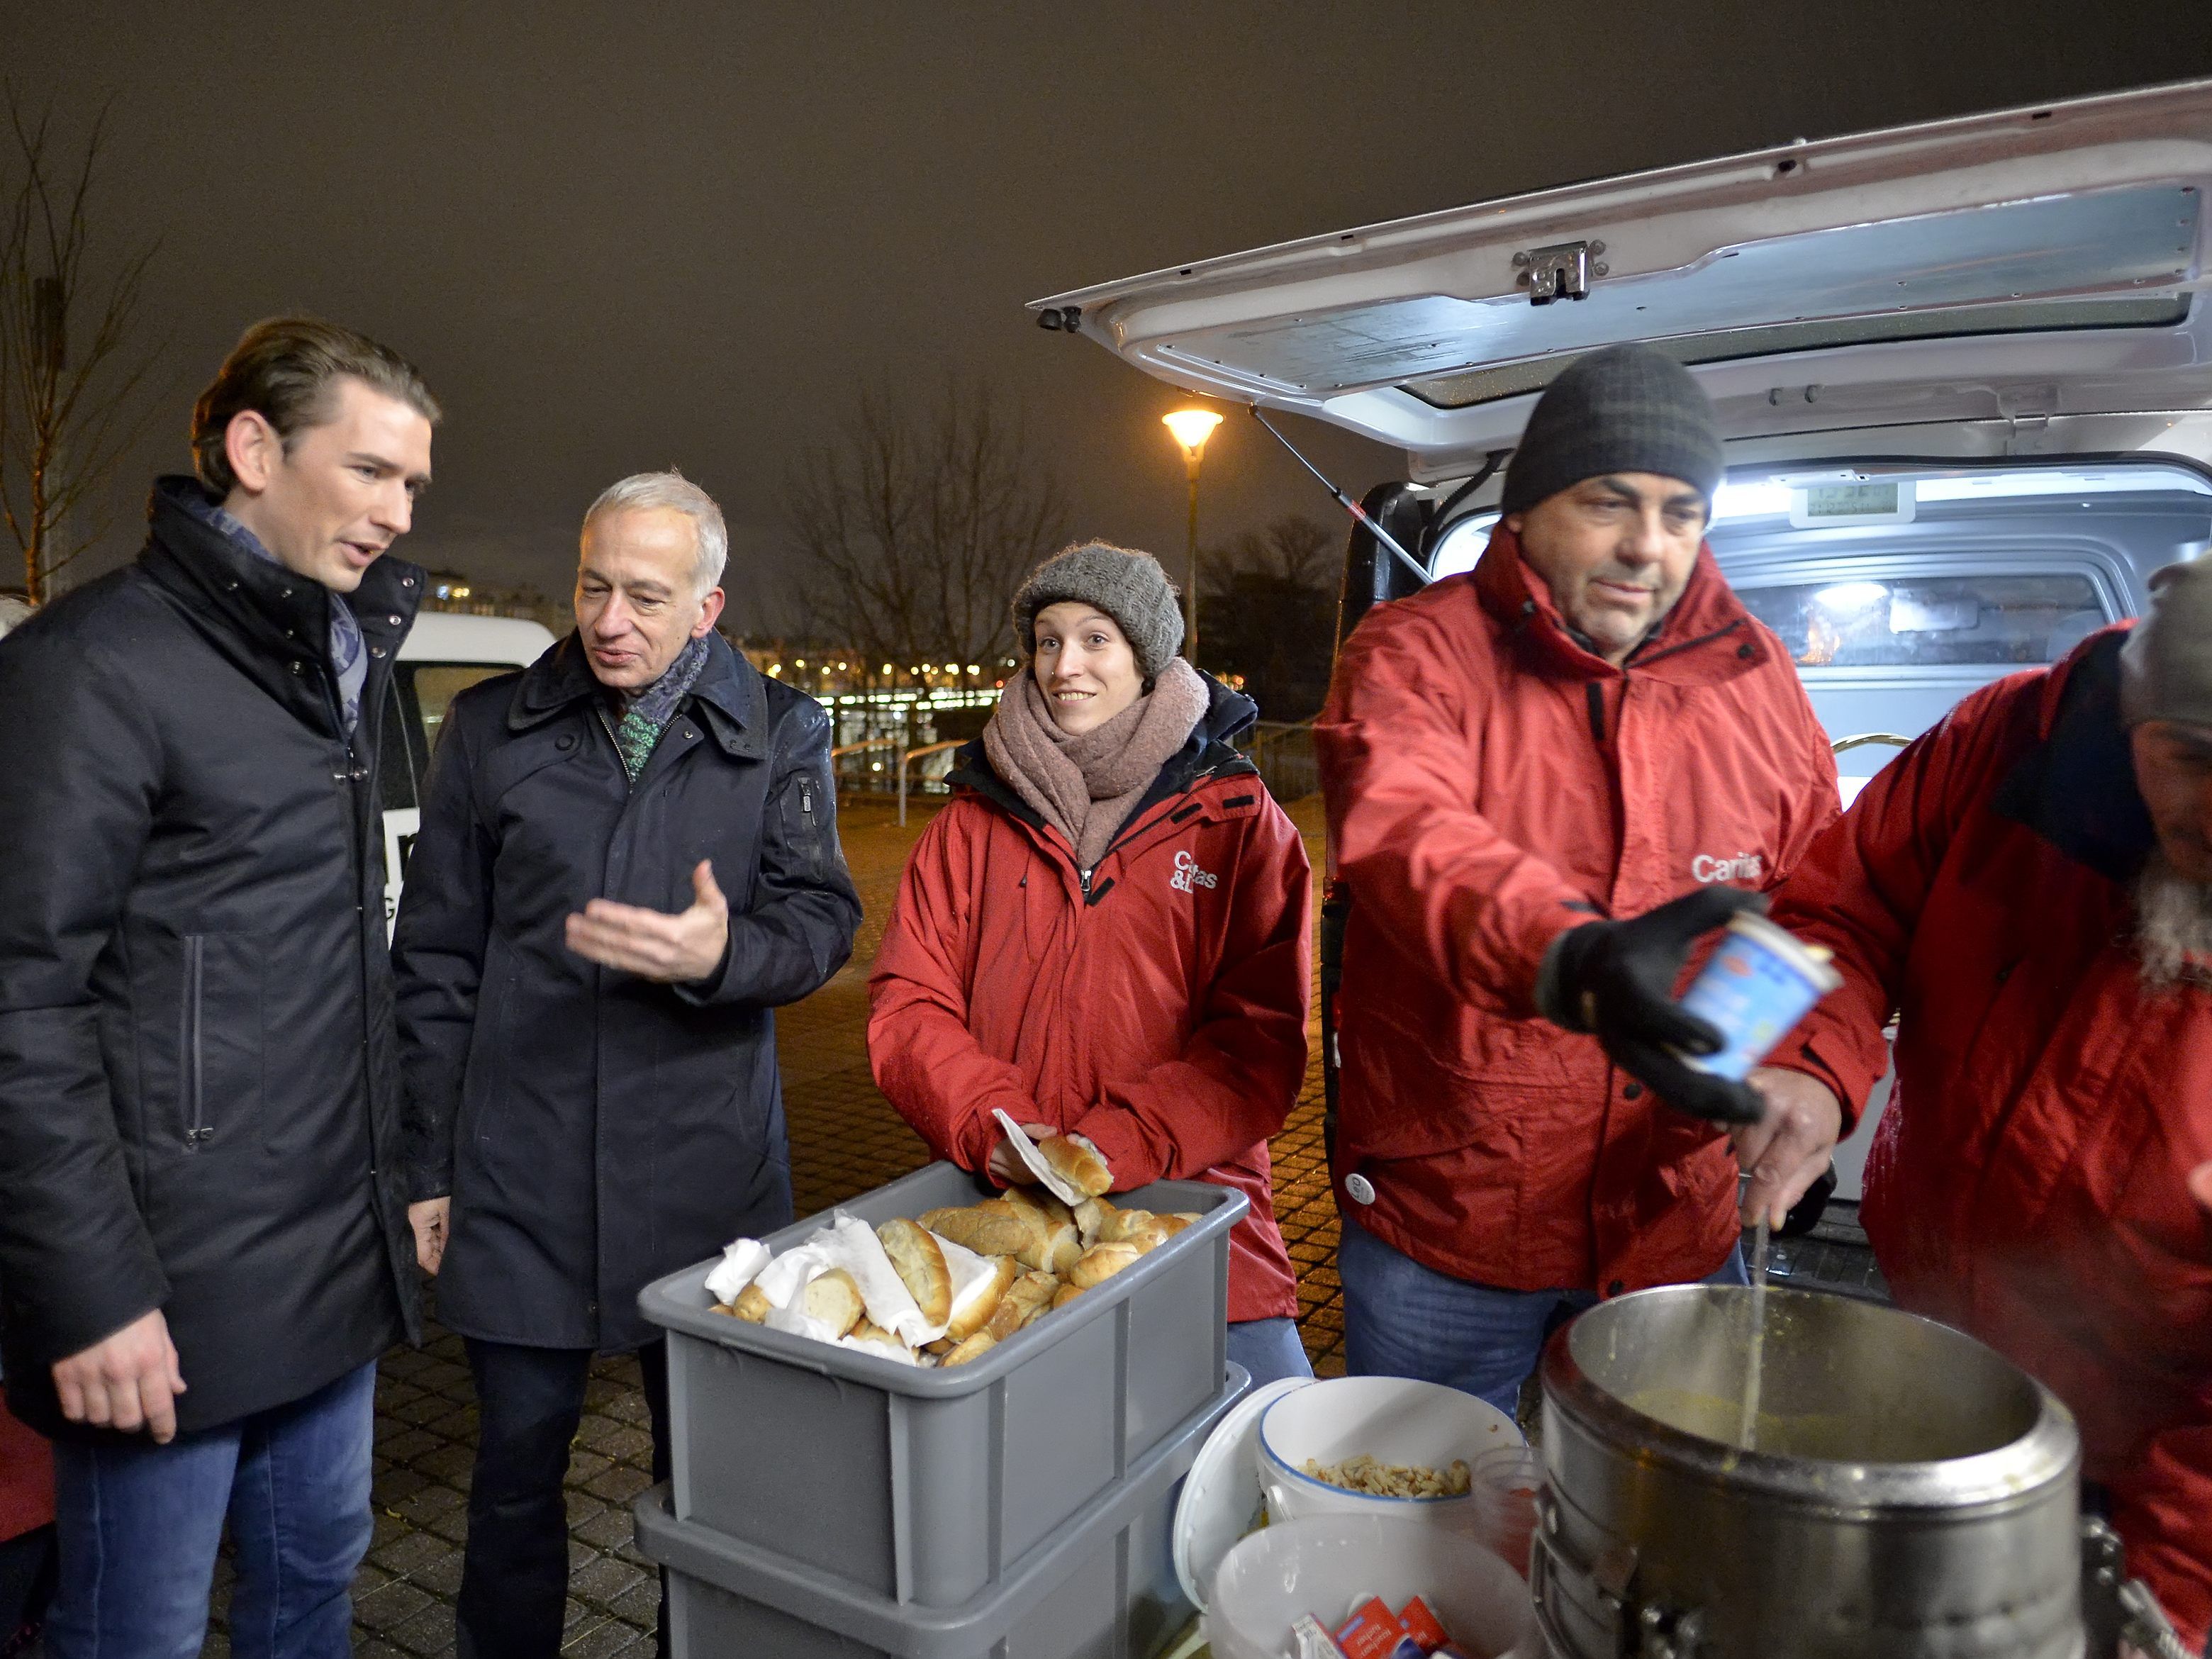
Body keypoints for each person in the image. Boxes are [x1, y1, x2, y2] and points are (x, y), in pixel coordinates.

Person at [0, 316, 440, 1658]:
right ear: (254, 448)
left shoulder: (335, 667)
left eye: (413, 484)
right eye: (371, 471)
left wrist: (405, 1171)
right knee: (138, 1631)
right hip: (167, 1296)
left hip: (327, 1265)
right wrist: (89, 1296)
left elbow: (341, 966)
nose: (396, 513)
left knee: (316, 1588)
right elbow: (21, 1002)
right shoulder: (91, 670)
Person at [1312, 344, 1844, 1417]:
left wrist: (1809, 1079)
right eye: (1610, 502)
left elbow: (1821, 905)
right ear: (1528, 508)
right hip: (1452, 1218)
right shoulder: (1415, 653)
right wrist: (1576, 958)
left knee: (1652, 1528)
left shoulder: (1759, 681)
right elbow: (1410, 837)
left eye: (1682, 512)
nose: (1648, 545)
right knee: (1434, 1526)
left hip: (1674, 1216)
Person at [393, 470, 861, 1658]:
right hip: (517, 1175)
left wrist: (725, 951)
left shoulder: (782, 730)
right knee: (509, 1486)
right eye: (595, 586)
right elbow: (435, 957)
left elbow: (820, 924)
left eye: (647, 597)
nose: (611, 620)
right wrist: (423, 1163)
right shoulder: (493, 728)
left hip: (705, 1186)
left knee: (711, 1495)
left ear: (708, 607)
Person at [1753, 561, 2212, 1648]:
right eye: (2194, 759)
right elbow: (1834, 906)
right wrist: (1804, 1068)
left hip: (2165, 1443)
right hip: (1941, 1344)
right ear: (2133, 717)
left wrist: (2165, 1605)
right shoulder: (2006, 743)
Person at [870, 542, 1314, 1384]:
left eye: (1096, 639)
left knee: (1263, 1454)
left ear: (1147, 658)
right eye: (1047, 640)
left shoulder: (1239, 821)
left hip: (1197, 1215)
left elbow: (1259, 1041)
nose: (1064, 665)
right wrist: (991, 1124)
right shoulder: (968, 825)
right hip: (1008, 1224)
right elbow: (910, 1002)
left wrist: (1118, 1143)